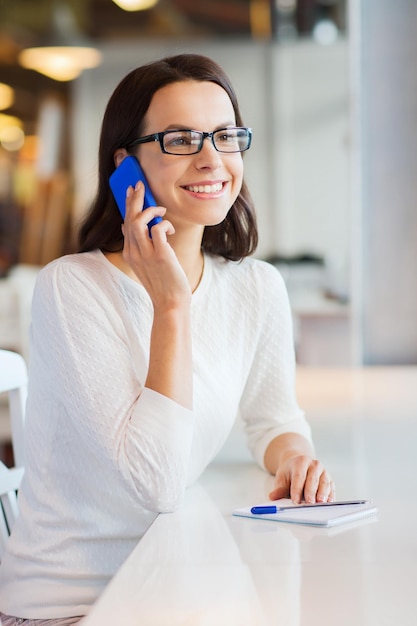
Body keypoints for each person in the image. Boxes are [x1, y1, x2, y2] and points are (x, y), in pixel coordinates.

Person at [0, 53, 334, 624]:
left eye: (226, 136)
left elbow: (272, 417)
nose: (211, 158)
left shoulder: (255, 288)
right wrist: (171, 304)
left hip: (176, 586)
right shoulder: (72, 289)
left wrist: (294, 458)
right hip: (75, 608)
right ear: (125, 165)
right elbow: (156, 484)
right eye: (181, 139)